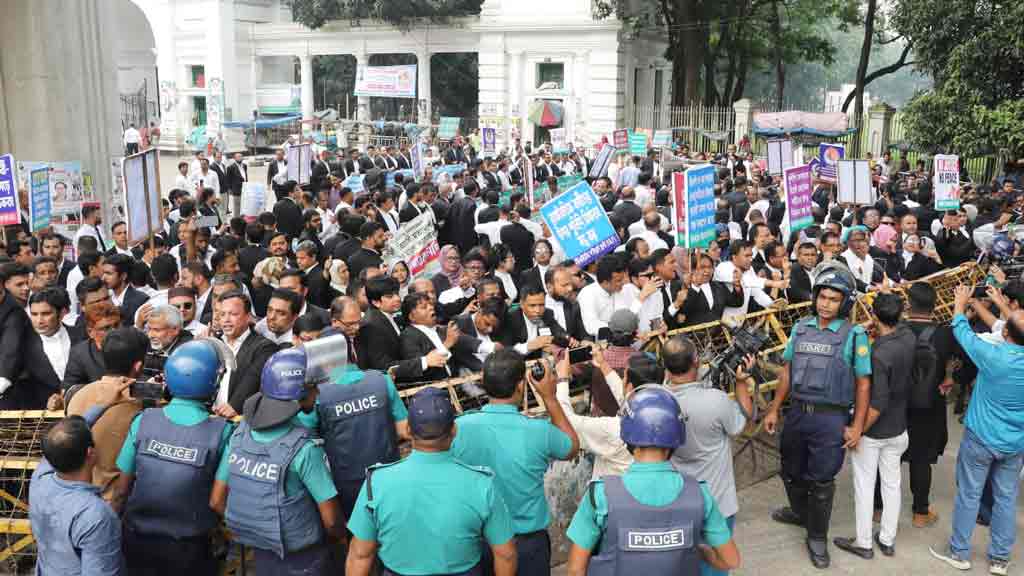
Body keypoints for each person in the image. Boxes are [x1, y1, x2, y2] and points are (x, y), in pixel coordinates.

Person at [763, 262, 872, 569]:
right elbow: (787, 370)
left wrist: (857, 426)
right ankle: (799, 513)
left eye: (833, 299)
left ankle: (817, 536)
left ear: (845, 303)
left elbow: (864, 384)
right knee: (791, 469)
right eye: (822, 297)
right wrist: (774, 408)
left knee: (821, 480)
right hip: (797, 414)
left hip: (830, 420)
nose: (825, 304)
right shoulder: (800, 328)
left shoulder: (855, 335)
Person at [565, 385, 741, 576]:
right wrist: (699, 551)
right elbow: (730, 559)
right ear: (676, 438)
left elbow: (575, 570)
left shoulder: (599, 496)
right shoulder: (699, 494)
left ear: (628, 437)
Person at [346, 386, 517, 576]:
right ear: (454, 430)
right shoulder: (482, 484)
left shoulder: (376, 483)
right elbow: (506, 554)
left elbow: (360, 555)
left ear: (408, 430)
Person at [211, 348, 345, 575]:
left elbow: (216, 501)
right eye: (314, 386)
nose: (319, 391)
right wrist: (343, 544)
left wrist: (254, 530)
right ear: (301, 393)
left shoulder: (239, 435)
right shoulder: (304, 449)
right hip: (304, 559)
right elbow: (332, 522)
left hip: (260, 554)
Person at [450, 349, 580, 576]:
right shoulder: (539, 431)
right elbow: (570, 447)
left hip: (477, 541)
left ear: (484, 382)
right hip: (527, 545)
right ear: (521, 385)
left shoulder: (459, 428)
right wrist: (549, 397)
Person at [110, 340, 233, 576]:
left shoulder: (144, 420)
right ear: (214, 382)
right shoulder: (224, 431)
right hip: (191, 550)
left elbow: (121, 490)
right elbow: (218, 502)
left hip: (138, 542)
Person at [929, 285, 1024, 575]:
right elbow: (1009, 325)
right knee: (1006, 498)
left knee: (969, 495)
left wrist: (959, 304)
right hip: (1015, 442)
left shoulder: (993, 356)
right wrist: (997, 303)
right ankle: (999, 559)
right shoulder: (1005, 349)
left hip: (981, 438)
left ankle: (959, 552)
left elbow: (962, 332)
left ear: (1005, 334)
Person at [832, 292, 914, 560]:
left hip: (875, 432)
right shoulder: (908, 336)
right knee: (892, 484)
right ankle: (887, 538)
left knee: (865, 487)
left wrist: (858, 430)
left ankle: (864, 542)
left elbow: (876, 403)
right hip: (899, 428)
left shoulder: (877, 353)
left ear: (875, 316)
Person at [664, 336, 753, 576]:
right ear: (696, 361)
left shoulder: (660, 401)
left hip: (676, 501)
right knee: (717, 564)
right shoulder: (716, 400)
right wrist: (741, 383)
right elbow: (739, 423)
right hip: (717, 501)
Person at [30, 379, 127, 575]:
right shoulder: (95, 515)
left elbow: (64, 438)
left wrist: (101, 404)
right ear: (91, 453)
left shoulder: (40, 479)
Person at [24, 288, 78, 409]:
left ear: (62, 313)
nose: (39, 321)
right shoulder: (24, 346)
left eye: (46, 314)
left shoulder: (81, 337)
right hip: (43, 418)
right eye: (34, 314)